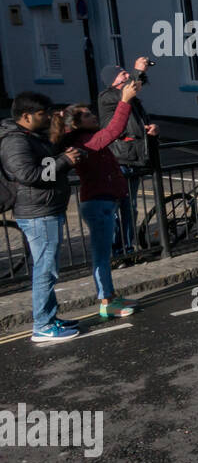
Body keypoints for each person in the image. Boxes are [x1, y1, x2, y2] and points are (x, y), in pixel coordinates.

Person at [0, 93, 84, 342]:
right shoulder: (15, 141)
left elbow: (42, 164)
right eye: (42, 113)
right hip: (38, 213)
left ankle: (50, 317)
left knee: (48, 268)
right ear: (26, 116)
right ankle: (43, 325)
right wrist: (63, 161)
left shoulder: (30, 136)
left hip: (45, 210)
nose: (48, 116)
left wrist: (62, 155)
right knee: (46, 270)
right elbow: (29, 174)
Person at [57, 84, 143, 319]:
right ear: (75, 124)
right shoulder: (83, 142)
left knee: (104, 254)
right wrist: (124, 100)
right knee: (101, 256)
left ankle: (111, 296)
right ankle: (106, 302)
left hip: (104, 202)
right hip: (97, 204)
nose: (93, 115)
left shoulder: (89, 139)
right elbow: (113, 130)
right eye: (87, 115)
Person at [96, 55, 156, 255]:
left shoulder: (133, 100)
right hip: (120, 159)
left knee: (130, 207)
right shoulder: (107, 96)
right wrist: (138, 71)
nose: (128, 75)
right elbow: (129, 91)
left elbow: (138, 122)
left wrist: (150, 128)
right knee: (115, 207)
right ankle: (115, 250)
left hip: (134, 158)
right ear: (114, 80)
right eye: (123, 74)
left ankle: (128, 248)